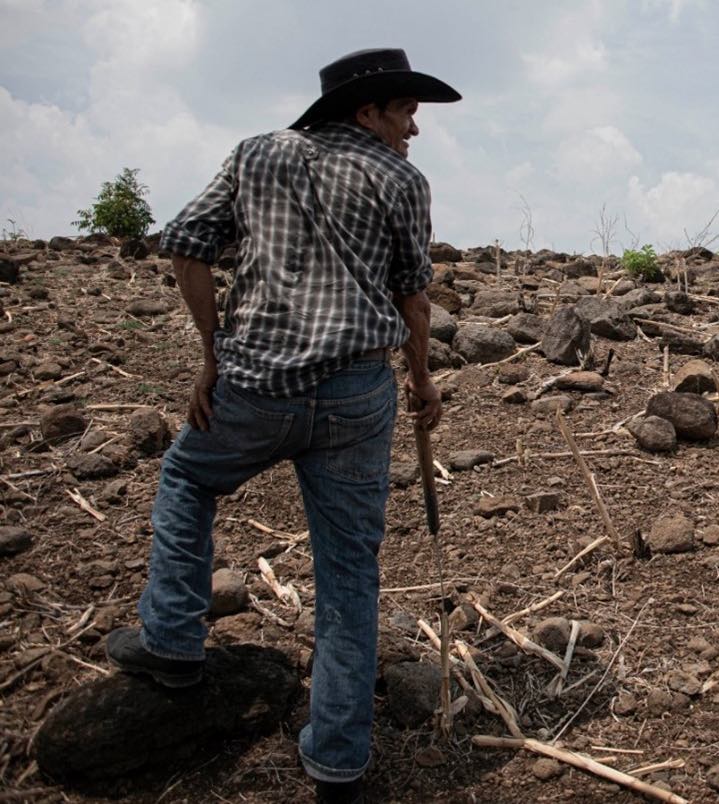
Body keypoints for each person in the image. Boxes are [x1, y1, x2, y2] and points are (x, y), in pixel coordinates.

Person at [104, 48, 460, 802]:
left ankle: (171, 641)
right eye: (406, 113)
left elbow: (187, 246)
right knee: (347, 573)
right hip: (358, 393)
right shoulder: (399, 180)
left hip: (256, 383)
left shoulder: (257, 153)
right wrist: (422, 380)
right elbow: (413, 299)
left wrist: (210, 355)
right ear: (367, 112)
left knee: (188, 478)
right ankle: (337, 760)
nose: (413, 130)